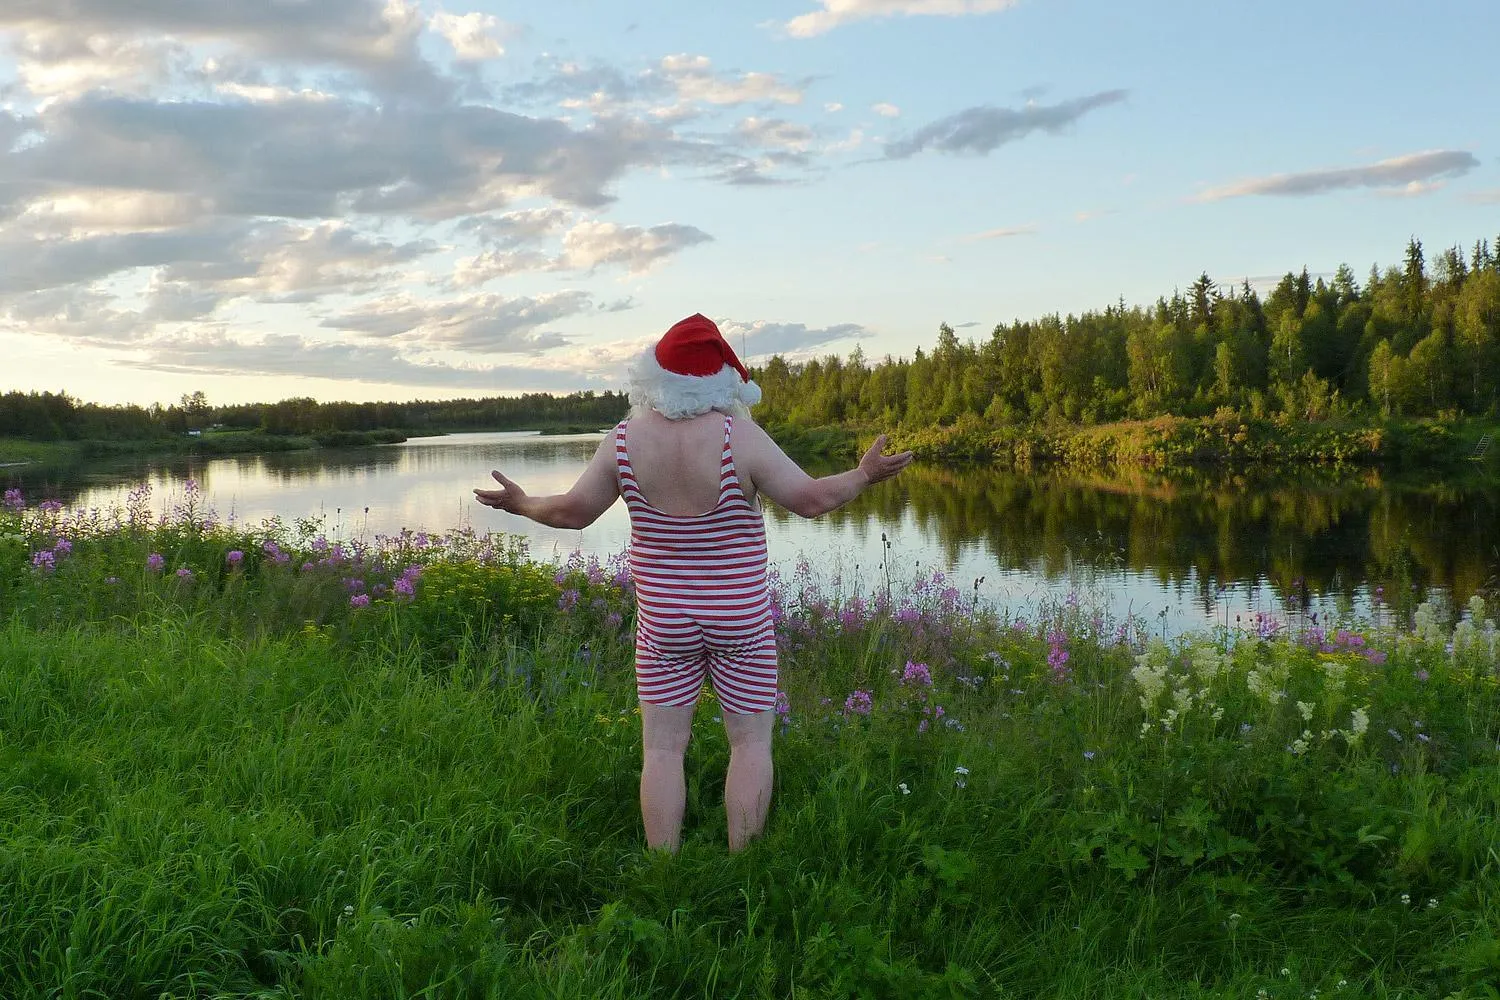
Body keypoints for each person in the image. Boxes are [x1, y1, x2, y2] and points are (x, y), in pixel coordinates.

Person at [473, 313, 913, 852]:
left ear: (653, 379)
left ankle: (664, 870)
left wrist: (523, 503)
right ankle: (744, 864)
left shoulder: (623, 440)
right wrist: (864, 475)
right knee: (750, 745)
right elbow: (811, 500)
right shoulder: (739, 438)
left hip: (666, 624)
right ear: (724, 381)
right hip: (740, 621)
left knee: (661, 750)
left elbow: (573, 512)